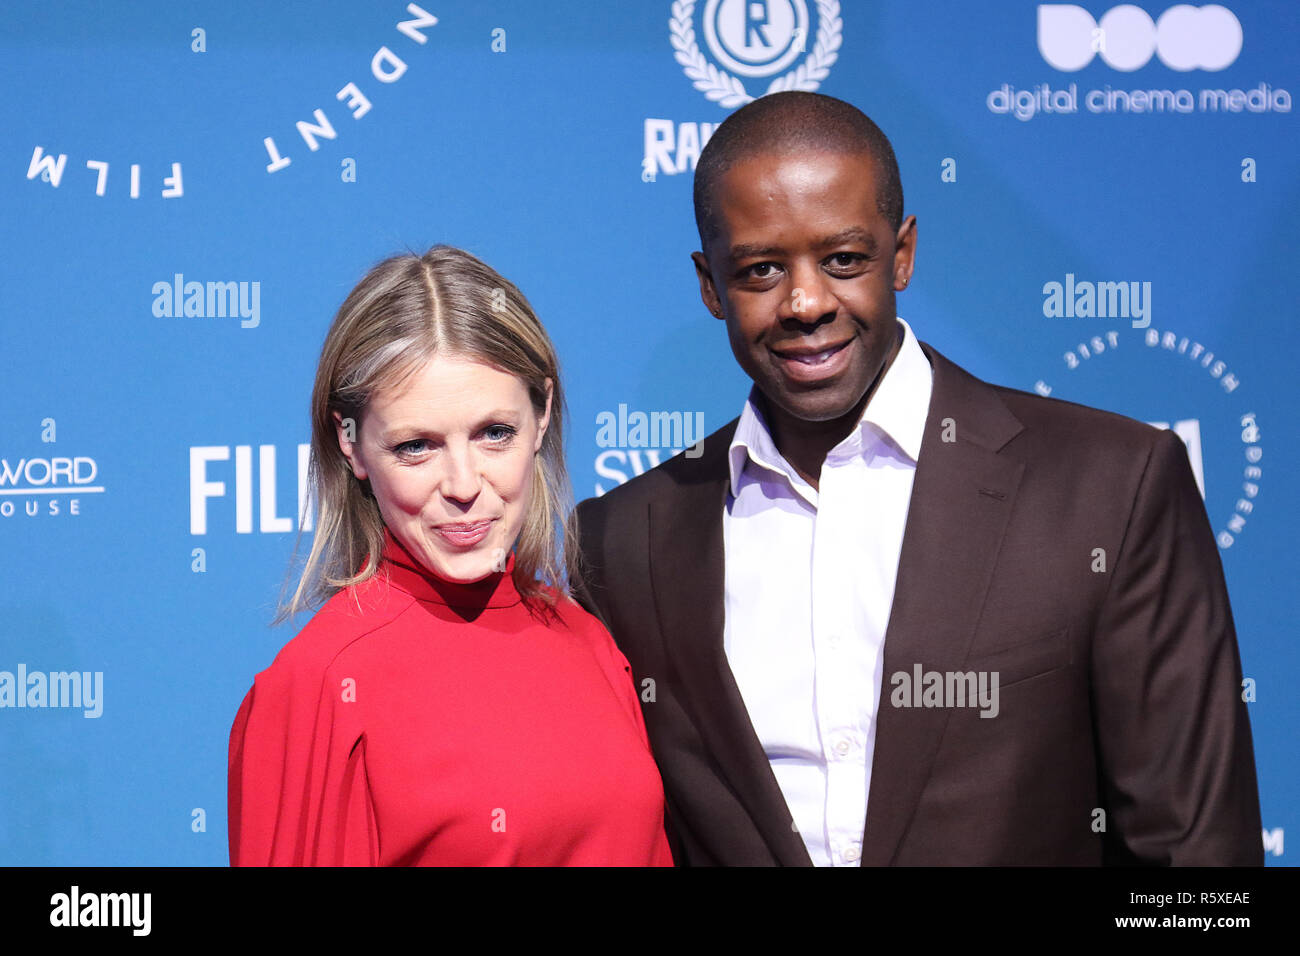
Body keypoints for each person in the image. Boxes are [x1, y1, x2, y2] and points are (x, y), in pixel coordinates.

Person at [572, 92, 1263, 866]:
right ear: (709, 284)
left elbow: (1199, 865)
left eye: (844, 260)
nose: (806, 302)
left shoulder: (1110, 488)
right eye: (761, 269)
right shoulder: (621, 542)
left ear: (901, 254)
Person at [227, 244, 672, 866]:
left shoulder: (591, 642)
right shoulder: (317, 688)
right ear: (351, 446)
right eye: (416, 446)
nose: (463, 485)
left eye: (495, 433)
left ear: (541, 416)